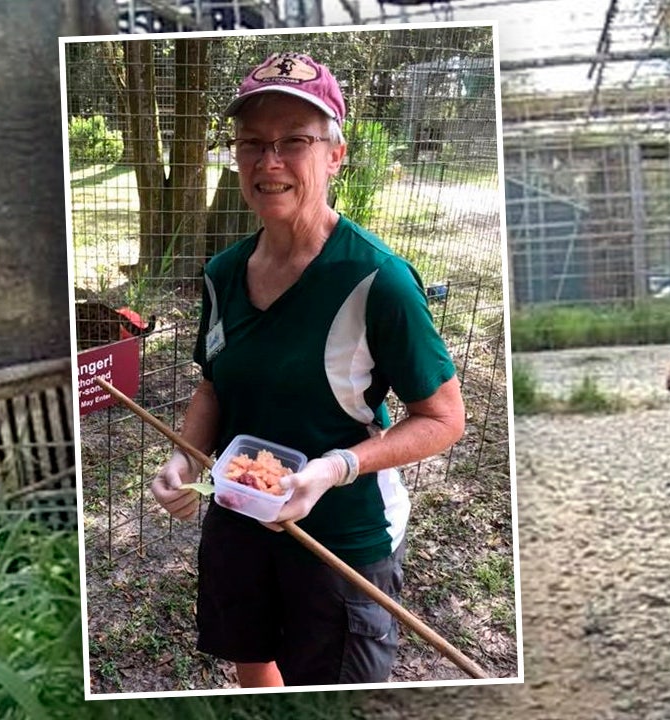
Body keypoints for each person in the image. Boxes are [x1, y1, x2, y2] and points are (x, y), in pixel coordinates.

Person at [149, 52, 465, 688]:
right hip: (239, 513)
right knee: (252, 653)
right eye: (252, 143)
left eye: (294, 140)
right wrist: (186, 457)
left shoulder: (378, 280)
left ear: (334, 155)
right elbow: (213, 384)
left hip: (340, 535)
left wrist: (335, 467)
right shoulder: (223, 274)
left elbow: (444, 419)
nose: (270, 161)